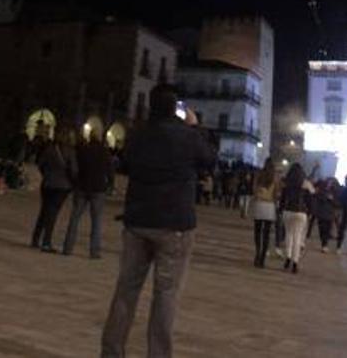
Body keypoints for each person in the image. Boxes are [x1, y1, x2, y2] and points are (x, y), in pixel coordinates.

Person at [100, 84, 215, 358]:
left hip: (137, 221)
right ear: (176, 108)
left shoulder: (138, 134)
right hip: (174, 226)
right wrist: (196, 127)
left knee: (125, 291)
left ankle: (112, 351)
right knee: (165, 295)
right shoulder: (188, 136)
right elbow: (210, 159)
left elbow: (125, 164)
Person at [63, 126, 113, 257]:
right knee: (96, 221)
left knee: (74, 218)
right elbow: (110, 170)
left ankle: (67, 248)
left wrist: (74, 182)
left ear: (90, 136)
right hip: (98, 188)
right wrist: (110, 185)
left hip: (82, 186)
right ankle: (94, 251)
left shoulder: (82, 150)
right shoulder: (104, 151)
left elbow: (74, 168)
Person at [31, 129, 77, 252]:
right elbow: (73, 170)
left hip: (47, 184)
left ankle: (35, 238)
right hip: (62, 186)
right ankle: (46, 242)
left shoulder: (50, 149)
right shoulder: (70, 152)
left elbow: (40, 164)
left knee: (43, 211)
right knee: (52, 213)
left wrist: (46, 175)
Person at [278, 163, 312, 273]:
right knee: (298, 238)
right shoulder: (306, 184)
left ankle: (287, 258)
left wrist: (280, 210)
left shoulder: (287, 183)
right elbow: (309, 200)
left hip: (288, 211)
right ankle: (295, 262)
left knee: (289, 235)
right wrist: (309, 212)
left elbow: (283, 200)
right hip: (301, 213)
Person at [250, 158, 279, 267]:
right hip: (269, 206)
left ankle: (257, 253)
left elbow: (254, 190)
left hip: (259, 204)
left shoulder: (259, 175)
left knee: (257, 231)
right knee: (266, 234)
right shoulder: (275, 178)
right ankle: (262, 258)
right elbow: (276, 194)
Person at [312, 178, 337, 253]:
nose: (330, 184)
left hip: (330, 214)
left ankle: (325, 244)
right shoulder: (320, 191)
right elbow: (317, 200)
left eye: (331, 183)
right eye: (329, 183)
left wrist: (332, 199)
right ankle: (324, 245)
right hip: (322, 214)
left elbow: (337, 203)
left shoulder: (334, 192)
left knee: (328, 230)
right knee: (322, 230)